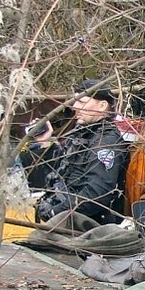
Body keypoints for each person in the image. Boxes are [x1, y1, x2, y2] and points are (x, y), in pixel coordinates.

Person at [35, 79, 129, 224]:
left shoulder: (106, 141)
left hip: (92, 226)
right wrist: (45, 144)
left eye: (81, 102)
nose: (74, 107)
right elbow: (61, 173)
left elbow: (98, 193)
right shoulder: (81, 133)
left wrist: (57, 211)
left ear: (102, 105)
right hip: (71, 220)